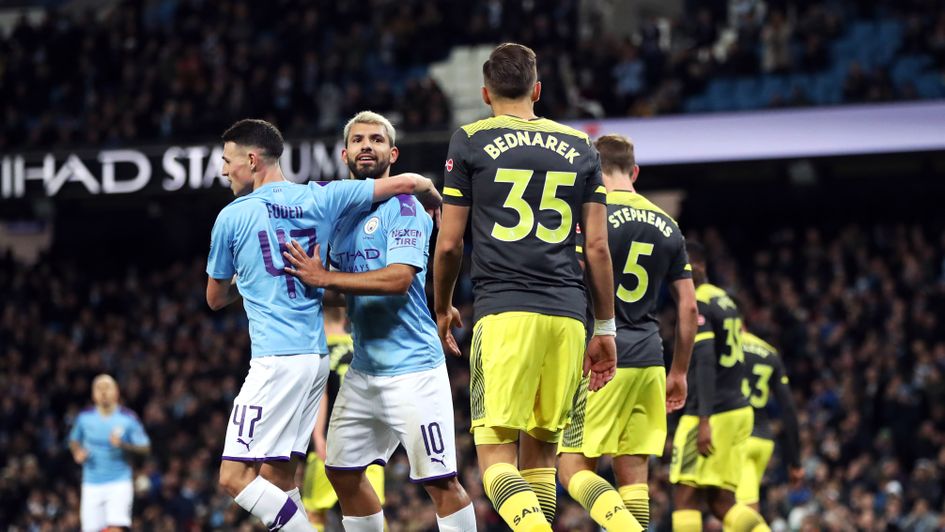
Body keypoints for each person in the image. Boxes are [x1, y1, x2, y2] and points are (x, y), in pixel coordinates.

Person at [206, 118, 441, 532]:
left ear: (252, 159)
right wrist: (428, 187)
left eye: (228, 161)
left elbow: (214, 298)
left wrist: (250, 278)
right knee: (279, 478)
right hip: (316, 360)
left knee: (233, 478)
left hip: (275, 361)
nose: (225, 170)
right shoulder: (321, 197)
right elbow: (403, 183)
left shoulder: (232, 216)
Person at [433, 43, 619, 531]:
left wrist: (443, 305)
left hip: (504, 313)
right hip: (567, 317)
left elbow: (450, 245)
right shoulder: (581, 146)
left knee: (495, 457)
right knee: (541, 457)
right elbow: (597, 248)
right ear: (537, 90)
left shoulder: (469, 140)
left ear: (485, 94)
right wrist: (605, 327)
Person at [283, 111, 476, 532]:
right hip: (364, 371)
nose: (365, 145)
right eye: (357, 140)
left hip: (415, 370)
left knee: (441, 481)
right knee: (341, 471)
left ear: (392, 153)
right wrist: (307, 285)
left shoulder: (405, 208)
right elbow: (345, 289)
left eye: (375, 139)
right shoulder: (337, 216)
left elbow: (398, 279)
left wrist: (324, 277)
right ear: (344, 153)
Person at [558, 135, 698, 530]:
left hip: (602, 360)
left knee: (571, 467)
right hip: (651, 360)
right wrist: (679, 372)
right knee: (633, 475)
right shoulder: (668, 225)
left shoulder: (588, 217)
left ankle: (626, 527)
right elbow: (688, 307)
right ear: (634, 172)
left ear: (593, 173)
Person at [668, 242, 770, 532]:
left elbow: (704, 361)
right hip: (738, 408)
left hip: (714, 412)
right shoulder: (725, 300)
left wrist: (704, 419)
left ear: (697, 267)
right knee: (720, 501)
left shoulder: (697, 302)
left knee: (686, 497)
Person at [301, 307, 385, 531]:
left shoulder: (317, 347)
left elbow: (320, 393)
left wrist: (318, 436)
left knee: (316, 512)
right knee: (372, 510)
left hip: (333, 437)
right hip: (362, 439)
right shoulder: (359, 344)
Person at [69, 374, 151, 532]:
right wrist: (77, 452)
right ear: (93, 394)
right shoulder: (84, 418)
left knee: (116, 528)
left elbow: (144, 448)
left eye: (107, 387)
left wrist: (123, 445)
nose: (103, 392)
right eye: (99, 388)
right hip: (91, 483)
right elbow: (73, 440)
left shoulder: (128, 418)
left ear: (117, 392)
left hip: (119, 482)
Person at [737, 330, 802, 510]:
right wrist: (795, 461)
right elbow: (789, 409)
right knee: (736, 507)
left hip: (739, 436)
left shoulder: (728, 344)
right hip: (763, 439)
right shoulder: (770, 353)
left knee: (743, 509)